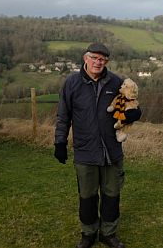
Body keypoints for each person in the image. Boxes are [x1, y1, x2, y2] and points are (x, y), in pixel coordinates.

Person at [54, 42, 141, 248]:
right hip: (85, 151)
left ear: (106, 62)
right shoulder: (72, 83)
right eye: (94, 57)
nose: (98, 62)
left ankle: (108, 234)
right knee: (87, 197)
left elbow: (132, 102)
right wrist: (60, 141)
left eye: (102, 59)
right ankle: (88, 233)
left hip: (112, 151)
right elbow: (63, 117)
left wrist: (136, 113)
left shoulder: (115, 82)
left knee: (112, 195)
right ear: (86, 58)